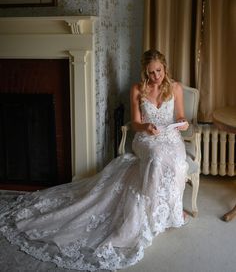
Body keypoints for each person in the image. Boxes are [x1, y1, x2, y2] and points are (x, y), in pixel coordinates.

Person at [0, 49, 189, 271]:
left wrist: (183, 122)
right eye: (151, 72)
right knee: (156, 161)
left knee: (176, 163)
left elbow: (181, 117)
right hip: (146, 138)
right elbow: (136, 123)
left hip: (170, 137)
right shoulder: (138, 89)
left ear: (164, 67)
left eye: (158, 70)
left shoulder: (175, 87)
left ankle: (172, 210)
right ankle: (149, 214)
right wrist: (146, 127)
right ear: (145, 72)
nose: (156, 76)